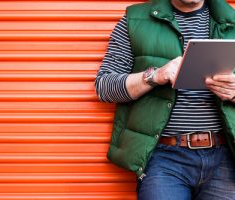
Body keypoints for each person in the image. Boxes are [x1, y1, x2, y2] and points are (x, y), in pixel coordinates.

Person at [95, 0, 235, 199]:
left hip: (225, 158)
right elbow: (104, 87)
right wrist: (154, 76)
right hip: (164, 159)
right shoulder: (135, 20)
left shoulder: (231, 20)